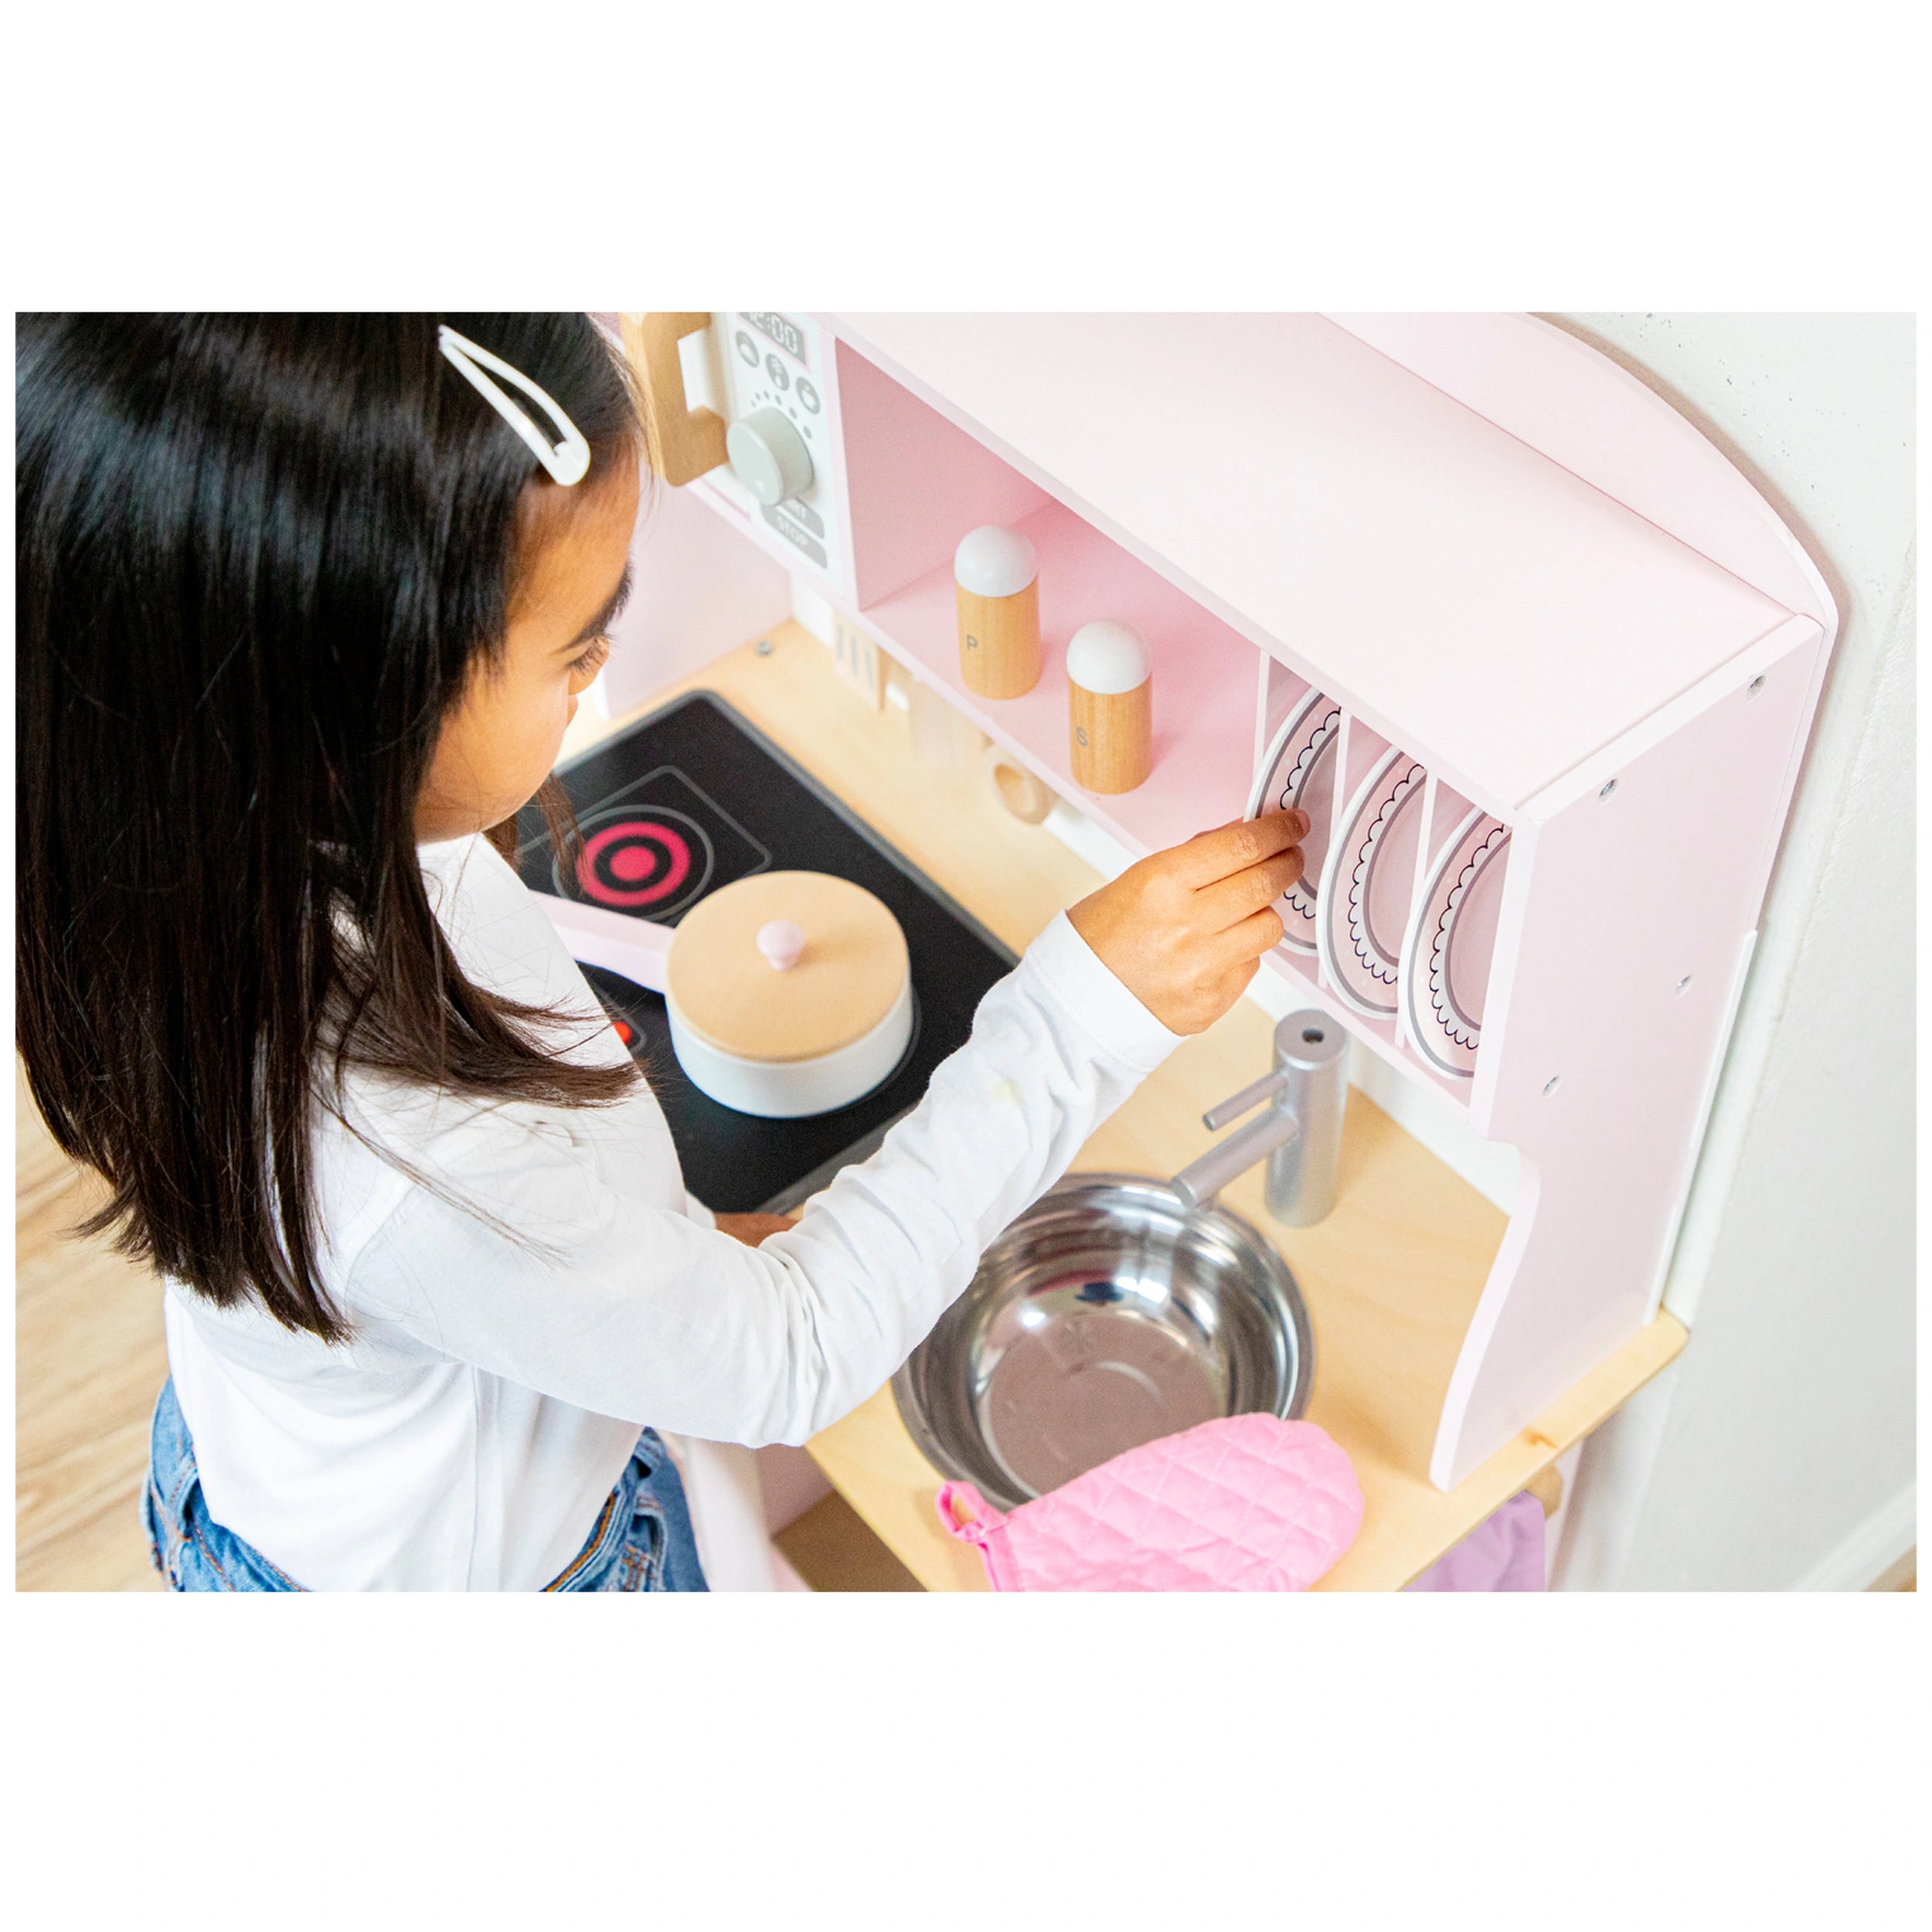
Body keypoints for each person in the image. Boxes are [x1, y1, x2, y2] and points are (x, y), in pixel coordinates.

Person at [15, 314, 1309, 1592]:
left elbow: (471, 1241)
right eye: (575, 648)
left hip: (280, 1468)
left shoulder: (180, 845)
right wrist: (1084, 1015)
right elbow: (790, 1356)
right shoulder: (398, 1158)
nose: (599, 672)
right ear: (359, 707)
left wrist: (640, 1251)